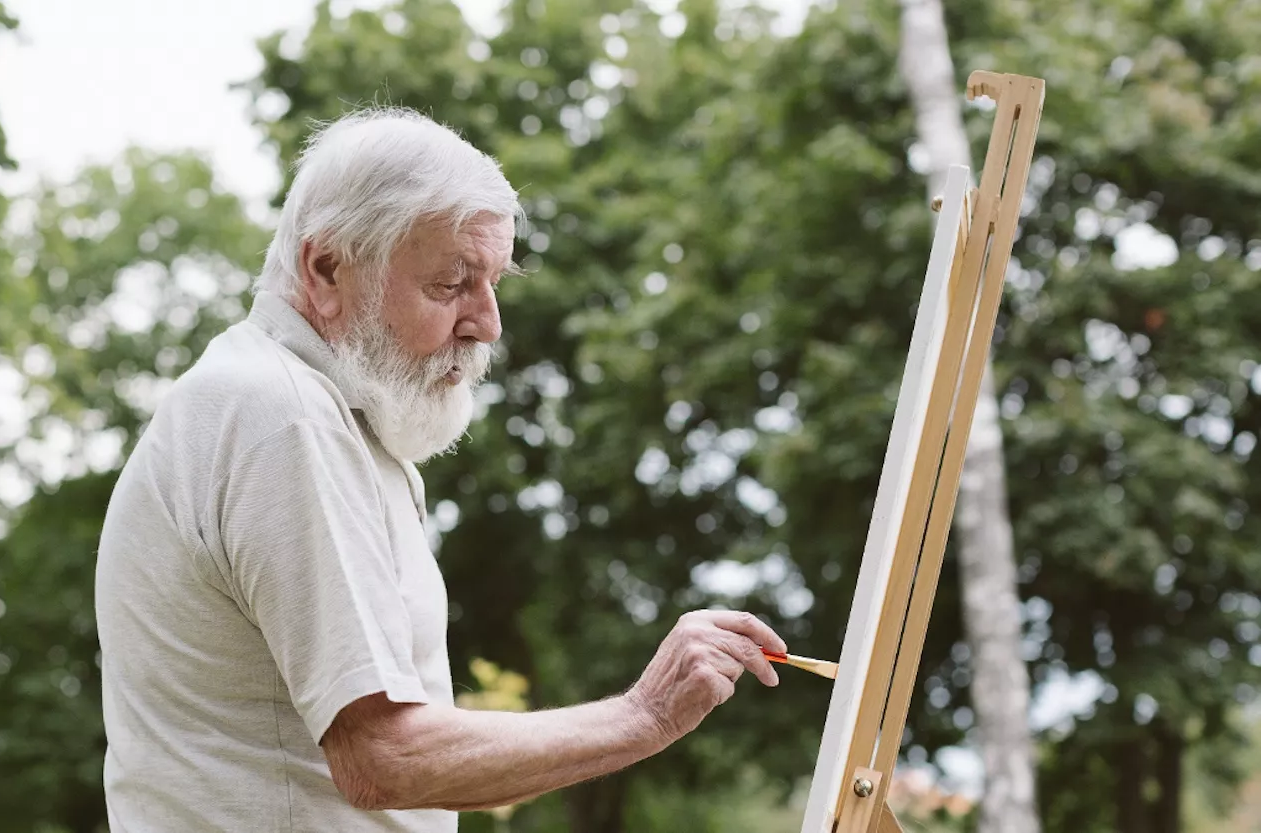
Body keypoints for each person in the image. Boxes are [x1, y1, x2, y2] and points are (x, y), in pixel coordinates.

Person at [95, 108, 787, 832]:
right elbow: (382, 755)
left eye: (493, 282)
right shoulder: (284, 416)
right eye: (453, 282)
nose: (487, 322)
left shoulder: (321, 414)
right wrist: (641, 715)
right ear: (327, 267)